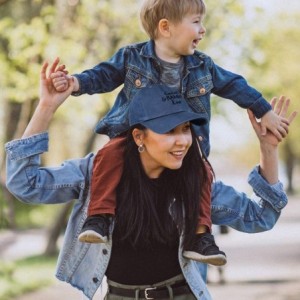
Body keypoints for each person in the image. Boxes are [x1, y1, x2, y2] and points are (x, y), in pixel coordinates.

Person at [5, 60, 297, 300]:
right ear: (139, 136)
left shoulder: (195, 181)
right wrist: (45, 108)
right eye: (169, 131)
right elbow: (25, 184)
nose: (182, 140)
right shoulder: (98, 173)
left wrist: (268, 150)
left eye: (186, 129)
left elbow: (262, 216)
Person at [50, 0, 289, 265]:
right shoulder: (132, 57)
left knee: (202, 173)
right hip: (133, 138)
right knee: (108, 155)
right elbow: (104, 75)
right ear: (166, 27)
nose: (203, 29)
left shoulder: (203, 66)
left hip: (184, 145)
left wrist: (263, 110)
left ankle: (199, 236)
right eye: (196, 21)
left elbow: (234, 85)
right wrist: (76, 83)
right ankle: (99, 217)